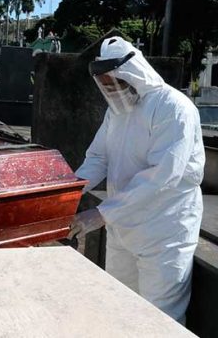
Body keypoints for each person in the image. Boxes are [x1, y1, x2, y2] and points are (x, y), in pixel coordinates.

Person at [71, 36, 204, 323]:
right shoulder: (116, 111)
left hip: (164, 231)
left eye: (113, 81)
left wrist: (101, 214)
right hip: (122, 228)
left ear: (132, 74)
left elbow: (162, 176)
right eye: (104, 83)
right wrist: (67, 193)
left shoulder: (174, 108)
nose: (109, 88)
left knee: (160, 319)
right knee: (120, 309)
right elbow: (98, 158)